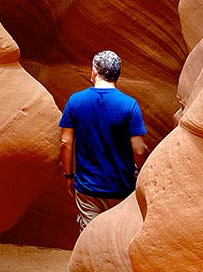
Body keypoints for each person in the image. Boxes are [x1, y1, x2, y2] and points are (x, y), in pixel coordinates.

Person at [59, 50, 148, 230]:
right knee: (117, 236)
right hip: (121, 188)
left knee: (89, 239)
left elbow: (66, 143)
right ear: (117, 74)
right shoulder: (129, 104)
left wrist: (69, 175)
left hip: (87, 188)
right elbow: (139, 149)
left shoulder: (76, 101)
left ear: (94, 71)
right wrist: (138, 173)